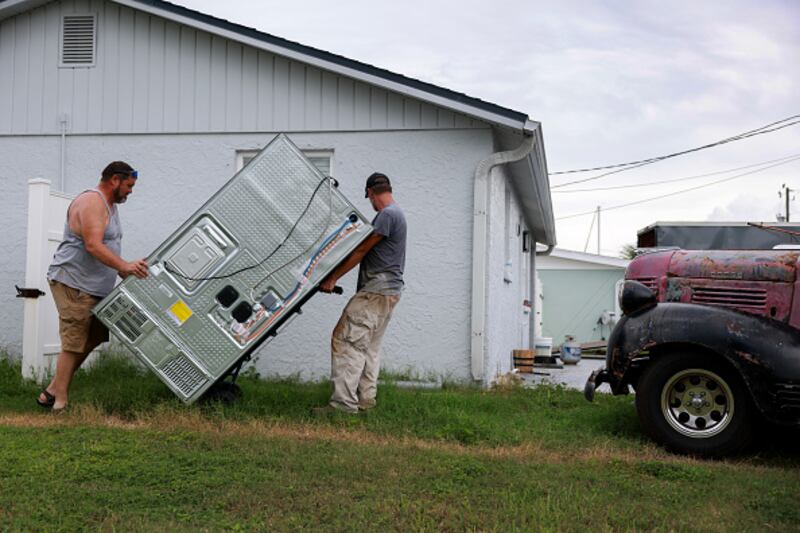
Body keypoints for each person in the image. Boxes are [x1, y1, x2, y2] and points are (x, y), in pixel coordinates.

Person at [36, 161, 149, 412]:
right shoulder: (92, 203)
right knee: (74, 340)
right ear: (115, 180)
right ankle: (60, 404)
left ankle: (52, 389)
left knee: (95, 335)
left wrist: (123, 269)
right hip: (73, 282)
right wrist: (124, 265)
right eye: (129, 186)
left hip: (95, 286)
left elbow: (107, 246)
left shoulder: (110, 205)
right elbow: (93, 245)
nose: (131, 191)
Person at [315, 172, 407, 414]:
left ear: (370, 193)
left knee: (346, 341)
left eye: (369, 198)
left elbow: (362, 250)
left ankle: (343, 405)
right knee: (368, 347)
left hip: (375, 292)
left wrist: (332, 277)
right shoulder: (397, 214)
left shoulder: (386, 215)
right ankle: (365, 400)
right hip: (388, 293)